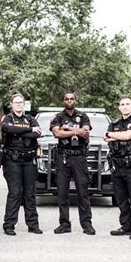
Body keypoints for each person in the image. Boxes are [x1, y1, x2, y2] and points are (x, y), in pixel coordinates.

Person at [50, 93, 95, 235]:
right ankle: (64, 224)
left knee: (83, 192)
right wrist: (76, 131)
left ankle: (87, 224)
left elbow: (85, 132)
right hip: (63, 157)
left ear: (75, 100)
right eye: (66, 99)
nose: (69, 101)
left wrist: (67, 129)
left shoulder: (83, 116)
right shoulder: (58, 117)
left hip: (79, 157)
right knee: (62, 192)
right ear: (63, 101)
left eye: (72, 99)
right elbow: (56, 134)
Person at [0, 93, 43, 236]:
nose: (18, 104)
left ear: (24, 105)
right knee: (15, 193)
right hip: (12, 161)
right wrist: (29, 130)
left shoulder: (30, 118)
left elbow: (37, 134)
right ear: (11, 104)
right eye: (16, 102)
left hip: (29, 160)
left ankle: (33, 225)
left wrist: (19, 132)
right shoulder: (7, 118)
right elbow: (8, 129)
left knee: (30, 193)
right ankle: (9, 225)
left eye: (21, 102)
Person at [104, 96, 131, 240]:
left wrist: (114, 135)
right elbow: (106, 137)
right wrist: (116, 136)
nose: (125, 106)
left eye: (128, 104)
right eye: (122, 104)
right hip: (117, 166)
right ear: (119, 107)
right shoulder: (114, 123)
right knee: (121, 199)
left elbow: (129, 135)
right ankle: (126, 227)